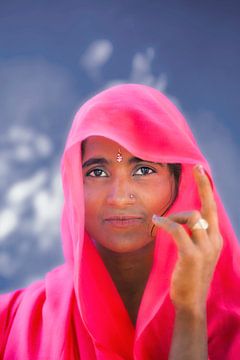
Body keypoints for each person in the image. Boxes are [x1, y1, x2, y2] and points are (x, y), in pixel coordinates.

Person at [0, 84, 240, 359]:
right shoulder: (11, 324)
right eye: (98, 172)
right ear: (73, 185)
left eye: (144, 169)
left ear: (181, 182)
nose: (120, 197)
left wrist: (190, 311)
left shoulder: (231, 331)